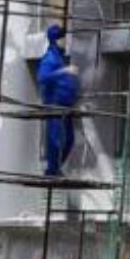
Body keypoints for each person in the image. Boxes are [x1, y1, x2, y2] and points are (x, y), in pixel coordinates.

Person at [37, 25, 81, 177]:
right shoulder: (50, 57)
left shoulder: (60, 58)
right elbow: (42, 77)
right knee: (55, 139)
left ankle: (55, 168)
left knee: (69, 140)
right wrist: (64, 71)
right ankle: (52, 169)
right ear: (57, 40)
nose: (66, 41)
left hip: (66, 106)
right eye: (63, 38)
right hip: (55, 104)